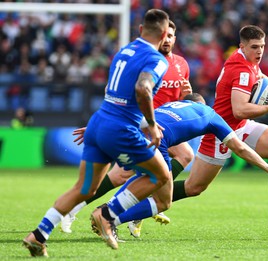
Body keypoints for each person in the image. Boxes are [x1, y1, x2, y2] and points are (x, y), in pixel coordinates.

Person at [22, 9, 170, 257]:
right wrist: (152, 125)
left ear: (141, 29)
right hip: (120, 129)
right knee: (160, 175)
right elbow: (143, 88)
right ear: (165, 34)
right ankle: (108, 214)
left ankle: (38, 236)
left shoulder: (124, 51)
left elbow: (111, 90)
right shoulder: (157, 60)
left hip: (99, 121)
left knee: (85, 188)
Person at [88, 93, 268, 242]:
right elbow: (239, 148)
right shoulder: (210, 115)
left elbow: (135, 116)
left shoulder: (170, 106)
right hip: (154, 144)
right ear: (201, 104)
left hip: (124, 134)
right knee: (163, 202)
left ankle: (106, 214)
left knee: (142, 180)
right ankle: (108, 217)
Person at [169, 25, 268, 229]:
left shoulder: (248, 59)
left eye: (262, 46)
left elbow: (263, 78)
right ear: (242, 46)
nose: (259, 51)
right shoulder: (241, 69)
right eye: (254, 47)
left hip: (241, 126)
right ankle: (144, 199)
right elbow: (239, 110)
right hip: (220, 130)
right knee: (194, 187)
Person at [60, 20, 193, 233]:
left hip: (164, 126)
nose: (166, 39)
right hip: (140, 124)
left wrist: (186, 95)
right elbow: (117, 94)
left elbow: (177, 99)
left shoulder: (181, 65)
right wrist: (102, 121)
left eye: (170, 36)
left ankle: (90, 208)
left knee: (124, 175)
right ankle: (89, 208)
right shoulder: (145, 61)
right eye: (164, 35)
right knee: (180, 157)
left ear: (174, 39)